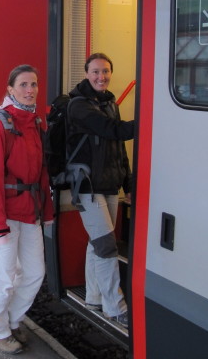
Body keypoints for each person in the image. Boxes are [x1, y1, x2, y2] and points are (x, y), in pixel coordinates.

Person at [0, 64, 54, 355]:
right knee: (4, 277)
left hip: (29, 212)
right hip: (4, 216)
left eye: (34, 84)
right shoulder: (0, 125)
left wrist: (46, 212)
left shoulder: (34, 123)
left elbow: (41, 173)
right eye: (23, 85)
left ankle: (11, 320)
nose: (30, 90)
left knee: (34, 273)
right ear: (10, 89)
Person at [66, 52, 134, 328]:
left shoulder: (109, 103)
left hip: (107, 184)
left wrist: (128, 185)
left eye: (105, 71)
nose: (101, 77)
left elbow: (119, 150)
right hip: (88, 187)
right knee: (106, 244)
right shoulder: (78, 106)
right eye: (95, 72)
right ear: (86, 74)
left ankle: (94, 296)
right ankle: (114, 307)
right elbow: (111, 131)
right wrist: (152, 122)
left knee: (99, 242)